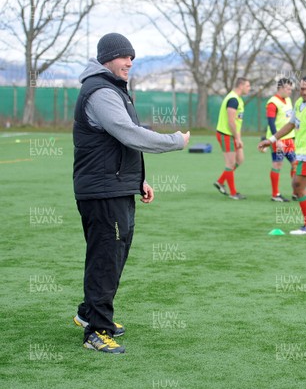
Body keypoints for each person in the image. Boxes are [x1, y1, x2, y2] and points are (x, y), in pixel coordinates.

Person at [72, 33, 190, 354]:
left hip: (115, 188)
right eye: (124, 57)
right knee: (106, 259)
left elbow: (120, 146)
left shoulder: (114, 89)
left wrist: (139, 181)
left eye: (132, 57)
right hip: (102, 192)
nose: (130, 63)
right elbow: (130, 135)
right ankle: (96, 331)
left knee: (113, 255)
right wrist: (175, 141)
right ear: (107, 58)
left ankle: (88, 314)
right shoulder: (101, 92)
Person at [258, 76, 306, 234]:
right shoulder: (300, 102)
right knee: (301, 185)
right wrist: (271, 140)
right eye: (302, 88)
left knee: (297, 186)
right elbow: (290, 124)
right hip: (302, 153)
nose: (305, 91)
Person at [213, 77, 251, 200]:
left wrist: (238, 137)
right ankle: (233, 193)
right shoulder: (233, 99)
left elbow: (237, 121)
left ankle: (220, 181)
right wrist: (237, 138)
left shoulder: (238, 99)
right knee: (230, 163)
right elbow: (231, 121)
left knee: (240, 160)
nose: (249, 88)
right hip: (226, 134)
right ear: (241, 86)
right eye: (247, 86)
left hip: (232, 135)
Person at [264, 78, 297, 202]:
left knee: (295, 164)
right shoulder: (272, 103)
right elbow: (271, 122)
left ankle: (296, 192)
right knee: (277, 165)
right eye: (288, 89)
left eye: (290, 89)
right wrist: (275, 140)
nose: (290, 91)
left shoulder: (288, 100)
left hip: (289, 139)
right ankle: (275, 194)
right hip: (278, 140)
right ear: (280, 88)